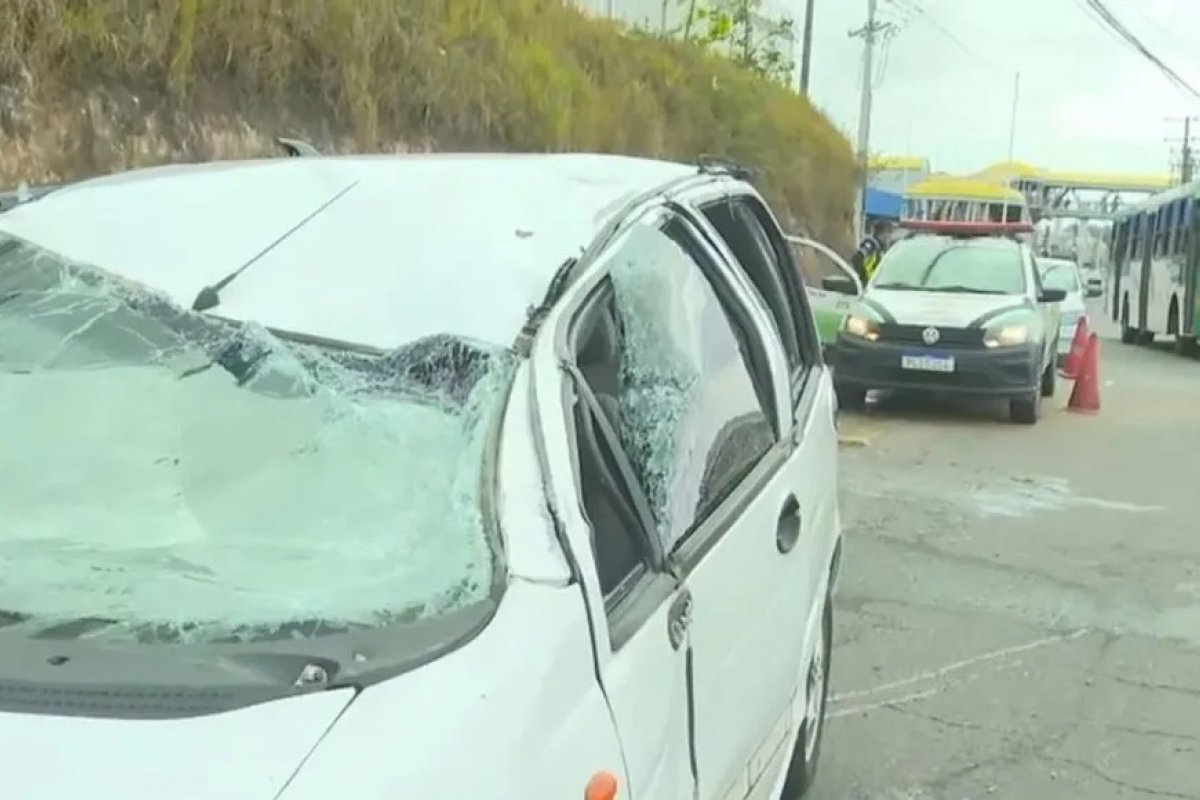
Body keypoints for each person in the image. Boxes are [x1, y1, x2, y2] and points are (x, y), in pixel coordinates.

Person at [851, 220, 891, 284]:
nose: (889, 238)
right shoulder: (871, 244)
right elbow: (857, 258)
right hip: (864, 284)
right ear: (883, 233)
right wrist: (863, 279)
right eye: (889, 234)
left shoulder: (880, 249)